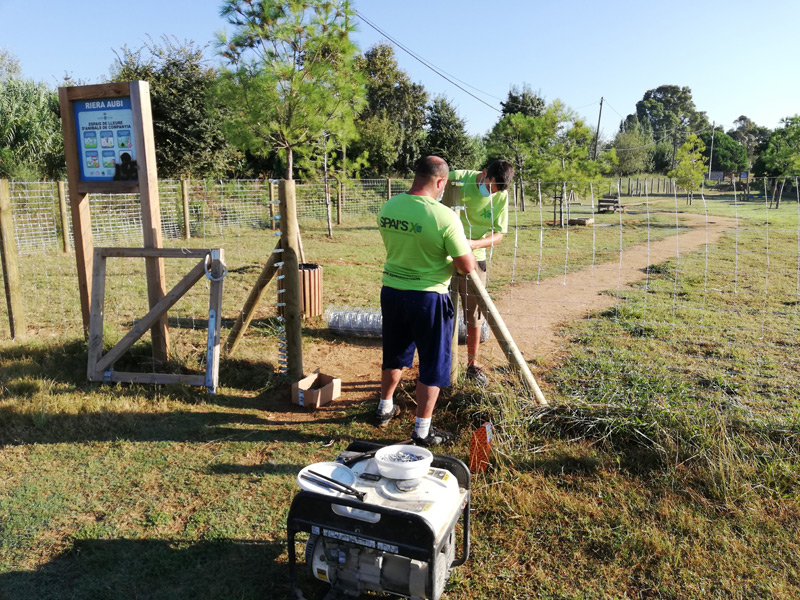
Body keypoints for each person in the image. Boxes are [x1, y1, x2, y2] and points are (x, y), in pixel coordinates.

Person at [375, 155, 476, 446]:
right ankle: (422, 431)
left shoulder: (389, 207)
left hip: (392, 291)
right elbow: (466, 266)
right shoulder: (445, 217)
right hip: (429, 297)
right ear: (441, 181)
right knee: (433, 364)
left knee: (393, 352)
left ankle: (384, 408)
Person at [448, 160, 515, 385]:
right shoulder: (457, 177)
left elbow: (499, 234)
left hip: (474, 258)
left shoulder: (501, 196)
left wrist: (473, 244)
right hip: (443, 256)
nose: (491, 193)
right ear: (484, 173)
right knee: (438, 309)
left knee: (474, 313)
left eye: (495, 191)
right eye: (490, 187)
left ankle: (472, 365)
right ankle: (439, 363)